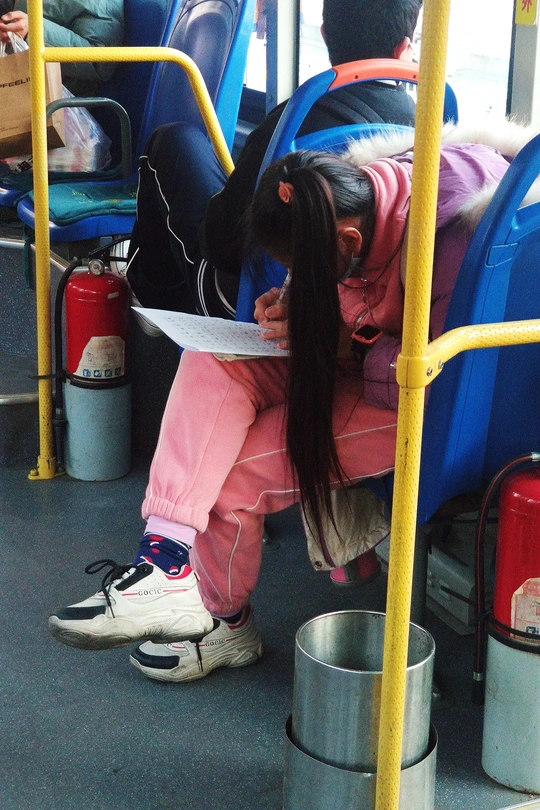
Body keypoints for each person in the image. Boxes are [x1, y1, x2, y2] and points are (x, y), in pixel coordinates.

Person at [48, 132, 512, 683]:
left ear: (350, 240)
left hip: (425, 405)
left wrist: (352, 345)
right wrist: (293, 304)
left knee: (230, 478)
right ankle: (163, 560)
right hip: (351, 361)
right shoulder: (343, 198)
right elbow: (338, 288)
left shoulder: (453, 245)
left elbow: (452, 378)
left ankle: (225, 624)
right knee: (210, 360)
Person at [124, 0, 421, 321]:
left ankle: (153, 308)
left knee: (174, 142)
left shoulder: (293, 121)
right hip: (361, 309)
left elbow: (220, 245)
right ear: (404, 48)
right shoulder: (426, 126)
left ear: (324, 34)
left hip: (252, 306)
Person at [0, 0, 124, 96]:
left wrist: (34, 31)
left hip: (55, 99)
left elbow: (99, 63)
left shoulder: (103, 5)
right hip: (14, 72)